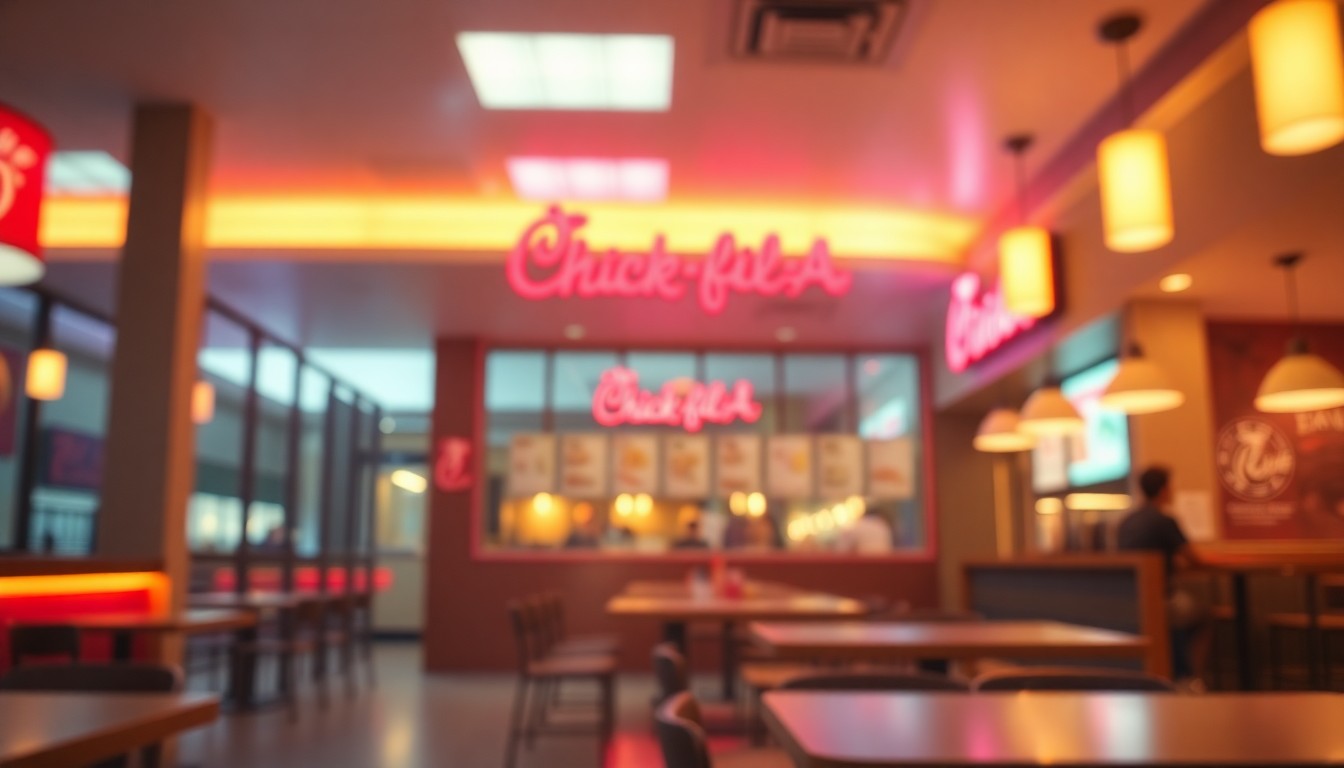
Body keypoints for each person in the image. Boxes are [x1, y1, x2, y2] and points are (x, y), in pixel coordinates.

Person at [1116, 465, 1205, 684]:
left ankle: (1178, 671)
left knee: (1179, 613)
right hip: (1161, 599)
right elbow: (1196, 559)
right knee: (1201, 614)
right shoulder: (1164, 520)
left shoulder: (1127, 522)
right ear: (1164, 490)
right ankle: (1189, 677)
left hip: (1129, 600)